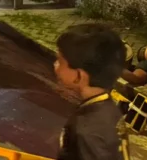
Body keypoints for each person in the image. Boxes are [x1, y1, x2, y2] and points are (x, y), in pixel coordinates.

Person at [54, 24, 128, 160]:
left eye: (59, 61)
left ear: (78, 76)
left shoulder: (86, 131)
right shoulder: (107, 109)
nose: (55, 67)